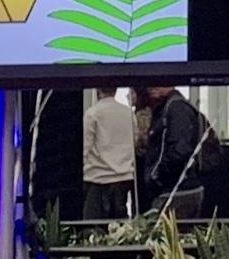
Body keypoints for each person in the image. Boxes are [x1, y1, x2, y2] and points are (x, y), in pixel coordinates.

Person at [135, 83, 214, 218]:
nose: (151, 87)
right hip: (180, 186)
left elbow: (180, 151)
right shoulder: (171, 107)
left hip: (177, 189)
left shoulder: (175, 108)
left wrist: (156, 176)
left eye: (158, 82)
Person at [79, 88, 136, 221]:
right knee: (120, 225)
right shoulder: (128, 113)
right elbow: (135, 139)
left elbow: (85, 146)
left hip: (97, 178)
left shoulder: (92, 113)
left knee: (93, 226)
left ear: (98, 90)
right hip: (123, 177)